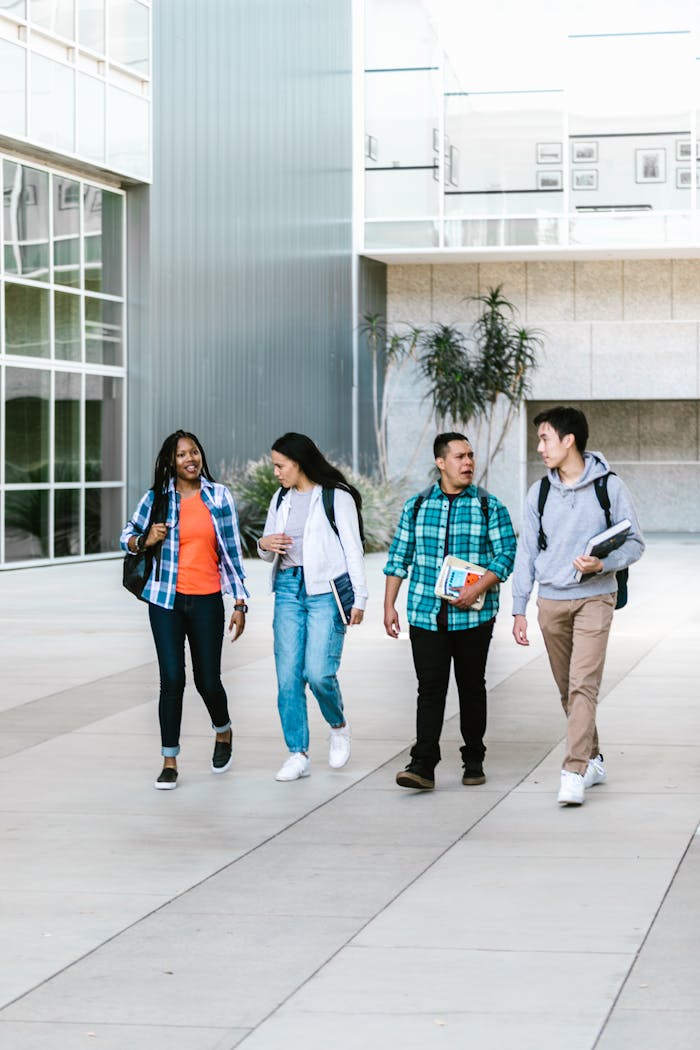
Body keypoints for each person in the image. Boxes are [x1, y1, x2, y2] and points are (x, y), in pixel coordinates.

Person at [512, 406, 645, 806]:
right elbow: (526, 551)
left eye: (545, 439)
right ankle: (594, 757)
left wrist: (602, 563)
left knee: (583, 684)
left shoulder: (610, 486)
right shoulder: (541, 491)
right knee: (568, 692)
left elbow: (636, 543)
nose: (540, 448)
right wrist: (519, 607)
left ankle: (574, 770)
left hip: (595, 597)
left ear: (569, 440)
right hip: (551, 600)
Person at [384, 432, 516, 790]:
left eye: (471, 455)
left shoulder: (490, 506)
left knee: (471, 687)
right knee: (430, 689)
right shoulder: (416, 506)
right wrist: (389, 606)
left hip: (474, 616)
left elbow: (506, 555)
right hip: (426, 615)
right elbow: (399, 558)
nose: (468, 462)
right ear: (440, 462)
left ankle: (473, 759)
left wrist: (477, 586)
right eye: (459, 456)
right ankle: (422, 764)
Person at [121, 429, 248, 790]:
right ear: (170, 462)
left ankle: (223, 732)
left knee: (208, 681)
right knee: (172, 679)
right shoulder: (156, 499)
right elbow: (126, 536)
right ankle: (169, 760)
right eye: (181, 455)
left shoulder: (218, 496)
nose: (190, 459)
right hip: (165, 602)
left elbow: (231, 554)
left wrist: (240, 602)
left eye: (194, 452)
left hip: (208, 600)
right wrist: (145, 539)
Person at [258, 432, 368, 782]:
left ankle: (338, 726)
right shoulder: (280, 498)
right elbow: (266, 549)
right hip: (288, 589)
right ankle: (298, 753)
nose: (276, 472)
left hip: (325, 592)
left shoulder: (337, 497)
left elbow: (353, 549)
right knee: (288, 677)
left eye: (280, 465)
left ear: (299, 462)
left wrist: (360, 598)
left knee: (318, 673)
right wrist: (264, 543)